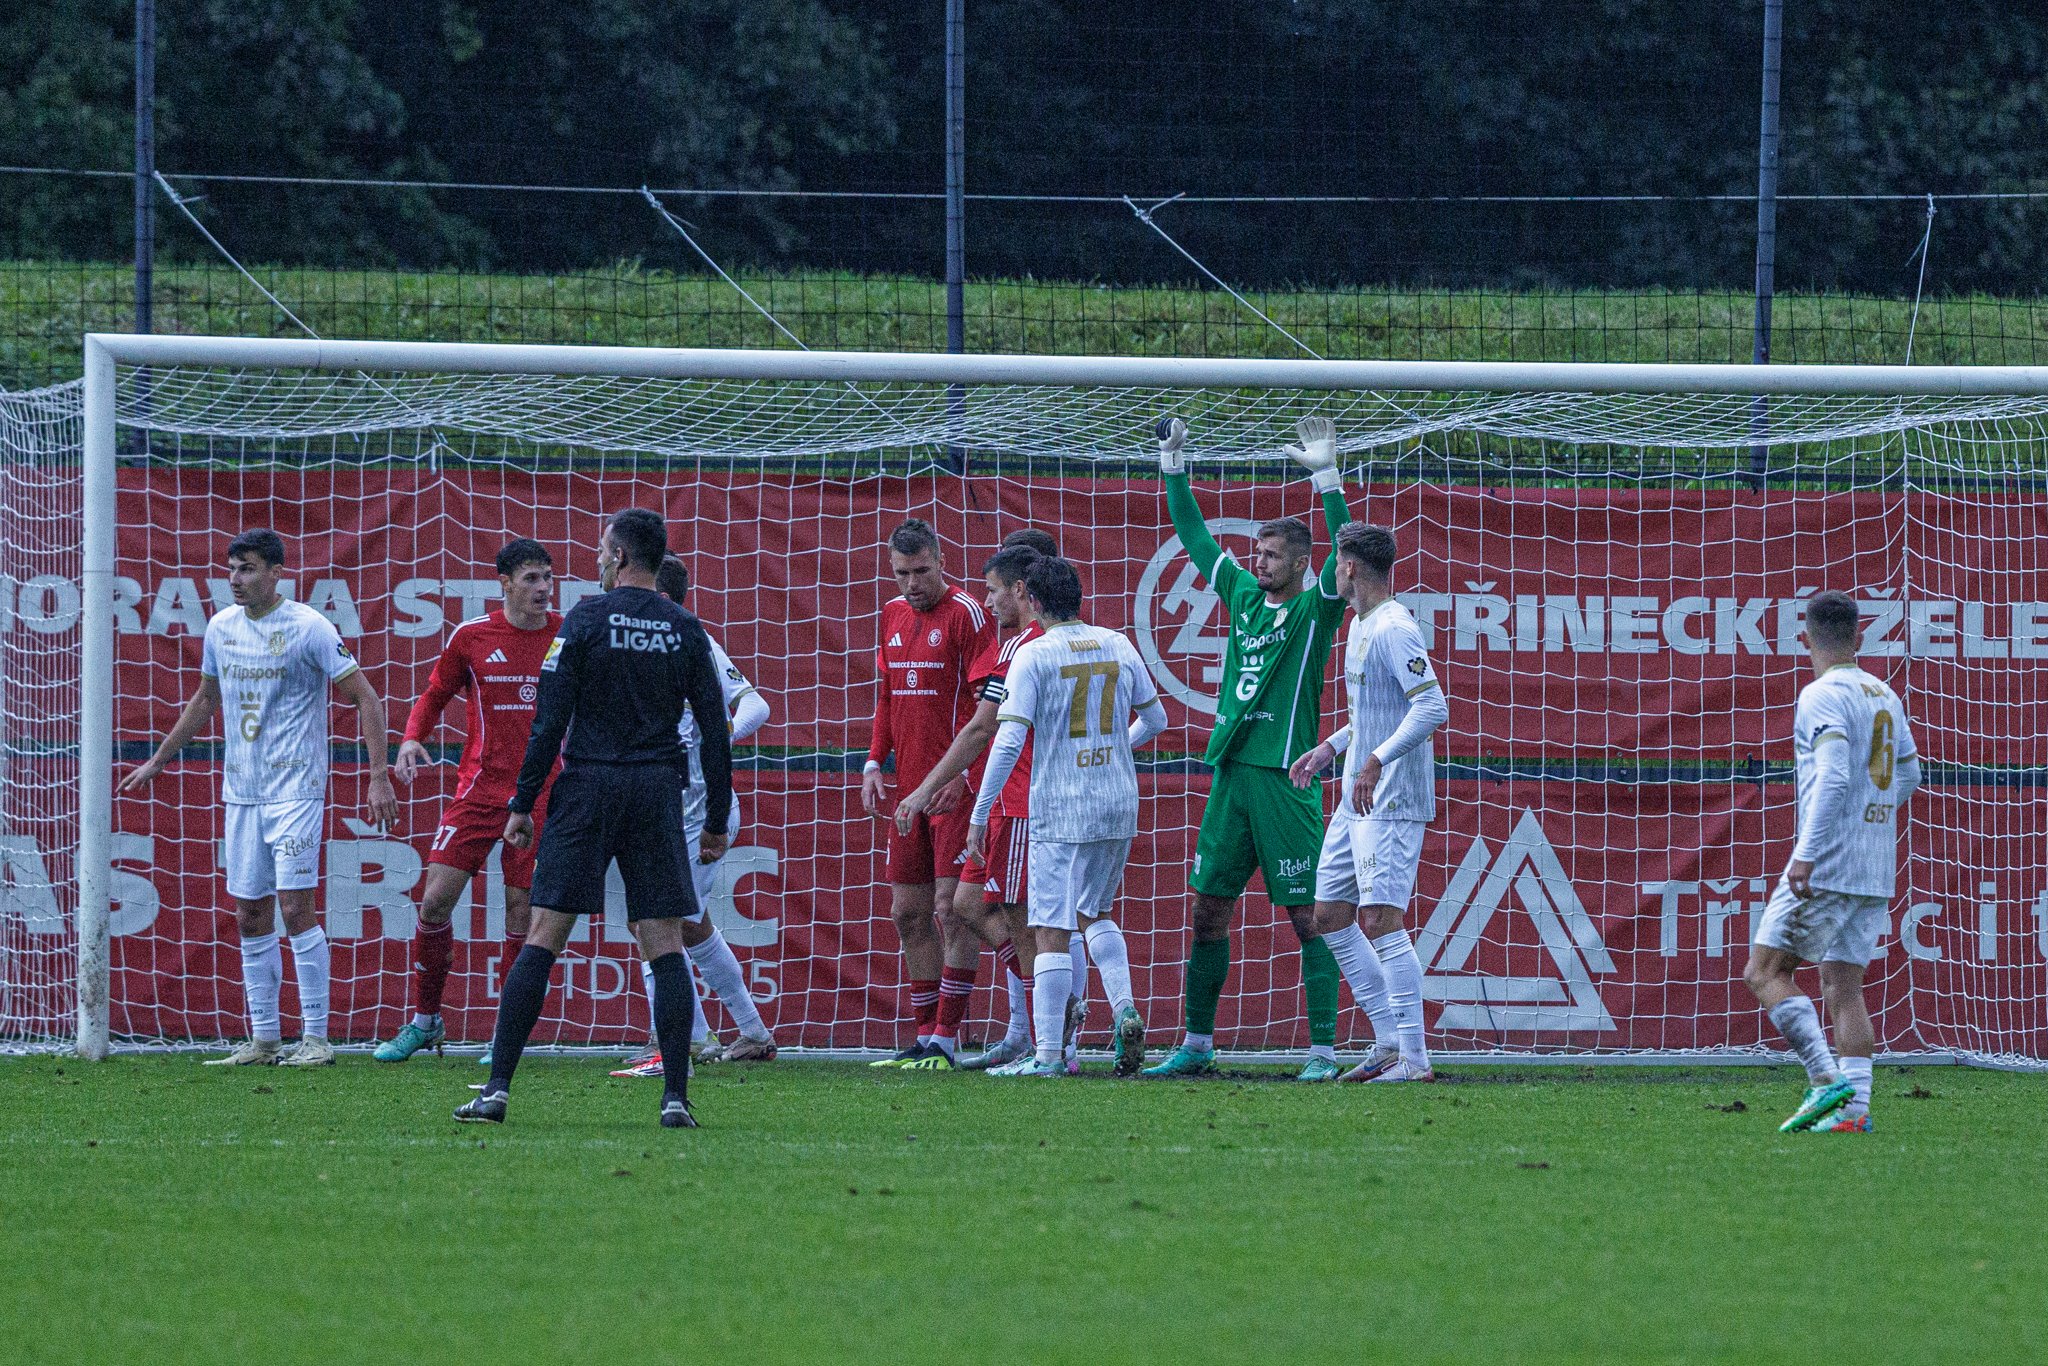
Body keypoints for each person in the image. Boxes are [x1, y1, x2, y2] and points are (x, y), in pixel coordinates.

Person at [454, 508, 732, 1130]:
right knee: (663, 941)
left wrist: (522, 802)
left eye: (604, 551)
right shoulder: (685, 627)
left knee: (544, 935)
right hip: (655, 792)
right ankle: (675, 1099)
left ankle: (496, 1090)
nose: (598, 560)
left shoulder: (584, 620)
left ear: (622, 557)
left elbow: (548, 723)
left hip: (588, 789)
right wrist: (716, 817)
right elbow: (715, 733)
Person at [121, 528, 397, 1066]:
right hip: (242, 792)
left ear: (276, 573)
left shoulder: (309, 627)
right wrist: (159, 759)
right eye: (231, 568)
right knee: (250, 914)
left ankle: (316, 1039)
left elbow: (366, 696)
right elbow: (206, 698)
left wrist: (378, 775)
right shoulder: (221, 628)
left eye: (247, 568)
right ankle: (265, 1040)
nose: (235, 579)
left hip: (296, 789)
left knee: (295, 908)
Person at [1141, 416, 1354, 1081]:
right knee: (1206, 910)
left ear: (1301, 563)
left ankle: (1323, 1052)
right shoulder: (1240, 595)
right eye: (1257, 553)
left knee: (1309, 916)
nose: (1259, 562)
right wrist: (1174, 464)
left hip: (1287, 779)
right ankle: (1197, 1044)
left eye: (1272, 555)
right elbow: (1195, 537)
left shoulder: (1317, 609)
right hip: (1232, 774)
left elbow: (1347, 555)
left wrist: (1328, 480)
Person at [965, 557, 1168, 1077]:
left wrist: (980, 811)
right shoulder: (1117, 642)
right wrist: (1116, 749)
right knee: (1094, 912)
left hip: (1060, 806)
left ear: (1032, 600)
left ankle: (1050, 1056)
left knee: (1051, 928)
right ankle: (1124, 1007)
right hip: (1117, 800)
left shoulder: (1032, 654)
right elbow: (1157, 718)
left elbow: (1008, 739)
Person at [376, 538, 562, 1063]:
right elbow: (435, 693)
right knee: (434, 900)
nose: (543, 588)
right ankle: (426, 1021)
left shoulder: (566, 635)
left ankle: (506, 1034)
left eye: (547, 577)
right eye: (531, 578)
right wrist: (411, 738)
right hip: (479, 790)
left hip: (542, 792)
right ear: (505, 584)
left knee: (521, 910)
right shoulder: (472, 636)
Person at [1743, 591, 1920, 1134]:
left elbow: (1835, 775)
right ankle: (1855, 1114)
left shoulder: (1820, 694)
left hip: (1829, 862)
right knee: (1843, 986)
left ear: (1805, 640)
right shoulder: (1884, 693)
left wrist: (1806, 854)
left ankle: (1825, 1081)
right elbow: (1909, 775)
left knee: (1765, 972)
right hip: (1875, 863)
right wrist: (1870, 816)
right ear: (1859, 638)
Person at [1290, 523, 1450, 1083]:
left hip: (1392, 796)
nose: (1333, 571)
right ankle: (1387, 1041)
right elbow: (1371, 714)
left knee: (1380, 918)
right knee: (1328, 914)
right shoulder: (1359, 624)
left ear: (1350, 567)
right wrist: (1330, 749)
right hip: (1356, 793)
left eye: (1335, 562)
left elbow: (1431, 707)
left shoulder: (1394, 628)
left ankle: (1416, 1059)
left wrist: (1376, 760)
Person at [612, 553, 777, 1077]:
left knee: (653, 920)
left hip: (699, 811)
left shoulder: (694, 640)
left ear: (658, 596)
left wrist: (715, 738)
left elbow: (756, 706)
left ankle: (681, 1042)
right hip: (659, 806)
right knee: (687, 924)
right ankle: (748, 1032)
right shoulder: (633, 643)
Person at [894, 539, 1049, 1070]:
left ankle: (1052, 1040)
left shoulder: (1026, 645)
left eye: (993, 590)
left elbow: (983, 728)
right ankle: (1032, 1032)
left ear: (1020, 590)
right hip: (1001, 795)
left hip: (1022, 800)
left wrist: (931, 787)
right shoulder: (1028, 642)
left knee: (1035, 921)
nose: (987, 600)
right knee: (970, 906)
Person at [861, 518, 995, 1065]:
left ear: (942, 562)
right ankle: (924, 1037)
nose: (912, 584)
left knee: (952, 909)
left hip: (955, 791)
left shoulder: (968, 614)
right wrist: (874, 761)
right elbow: (888, 697)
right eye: (901, 573)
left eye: (921, 571)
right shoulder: (892, 614)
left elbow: (991, 710)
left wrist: (964, 776)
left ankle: (945, 1038)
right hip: (908, 791)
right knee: (907, 913)